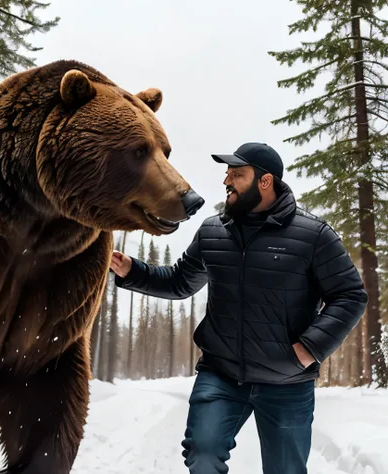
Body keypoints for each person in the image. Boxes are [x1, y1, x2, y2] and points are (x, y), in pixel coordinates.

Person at [110, 142, 368, 474]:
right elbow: (180, 282)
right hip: (221, 373)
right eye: (227, 173)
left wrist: (308, 349)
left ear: (265, 181)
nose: (227, 181)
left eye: (237, 174)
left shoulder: (313, 235)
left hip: (286, 381)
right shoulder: (214, 232)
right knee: (202, 455)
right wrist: (134, 272)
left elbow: (350, 295)